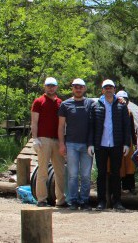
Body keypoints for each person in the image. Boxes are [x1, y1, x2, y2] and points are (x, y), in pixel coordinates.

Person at [89, 79, 132, 211]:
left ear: (114, 89)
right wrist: (90, 144)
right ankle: (101, 201)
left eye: (111, 87)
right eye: (106, 87)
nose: (108, 89)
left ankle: (117, 201)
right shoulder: (96, 105)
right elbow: (92, 127)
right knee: (101, 174)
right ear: (102, 90)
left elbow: (126, 126)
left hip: (116, 144)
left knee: (116, 174)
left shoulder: (121, 105)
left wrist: (126, 143)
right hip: (100, 145)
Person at [58, 78, 94, 210]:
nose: (78, 89)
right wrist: (62, 144)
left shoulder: (90, 103)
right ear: (72, 88)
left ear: (84, 88)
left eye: (81, 87)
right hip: (71, 144)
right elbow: (61, 126)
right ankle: (72, 200)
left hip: (86, 145)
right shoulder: (65, 104)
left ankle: (84, 200)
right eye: (76, 87)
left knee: (85, 175)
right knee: (72, 174)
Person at [31, 77, 67, 207]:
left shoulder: (60, 103)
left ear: (56, 87)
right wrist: (35, 138)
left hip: (57, 140)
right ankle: (41, 199)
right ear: (45, 87)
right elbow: (34, 122)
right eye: (48, 85)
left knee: (60, 171)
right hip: (43, 139)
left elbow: (63, 124)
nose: (50, 88)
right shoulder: (38, 102)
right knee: (43, 171)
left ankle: (61, 199)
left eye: (53, 86)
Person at [116, 90, 136, 195]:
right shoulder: (113, 111)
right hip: (117, 141)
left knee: (129, 165)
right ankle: (116, 188)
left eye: (125, 100)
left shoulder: (129, 113)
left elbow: (132, 129)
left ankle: (130, 186)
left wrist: (135, 141)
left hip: (128, 141)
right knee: (118, 166)